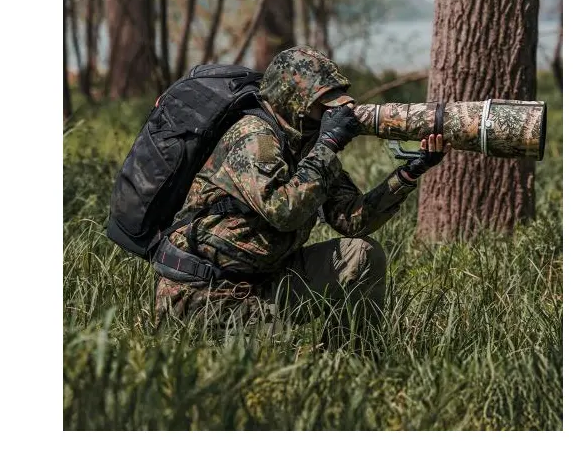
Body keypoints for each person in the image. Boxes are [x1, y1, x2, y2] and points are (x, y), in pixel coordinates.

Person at [154, 46, 447, 349]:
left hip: (263, 281)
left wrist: (409, 173)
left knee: (362, 255)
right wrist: (328, 145)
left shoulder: (306, 145)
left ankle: (350, 361)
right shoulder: (254, 137)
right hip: (204, 295)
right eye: (324, 107)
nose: (332, 116)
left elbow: (351, 220)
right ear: (296, 104)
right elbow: (284, 211)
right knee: (279, 371)